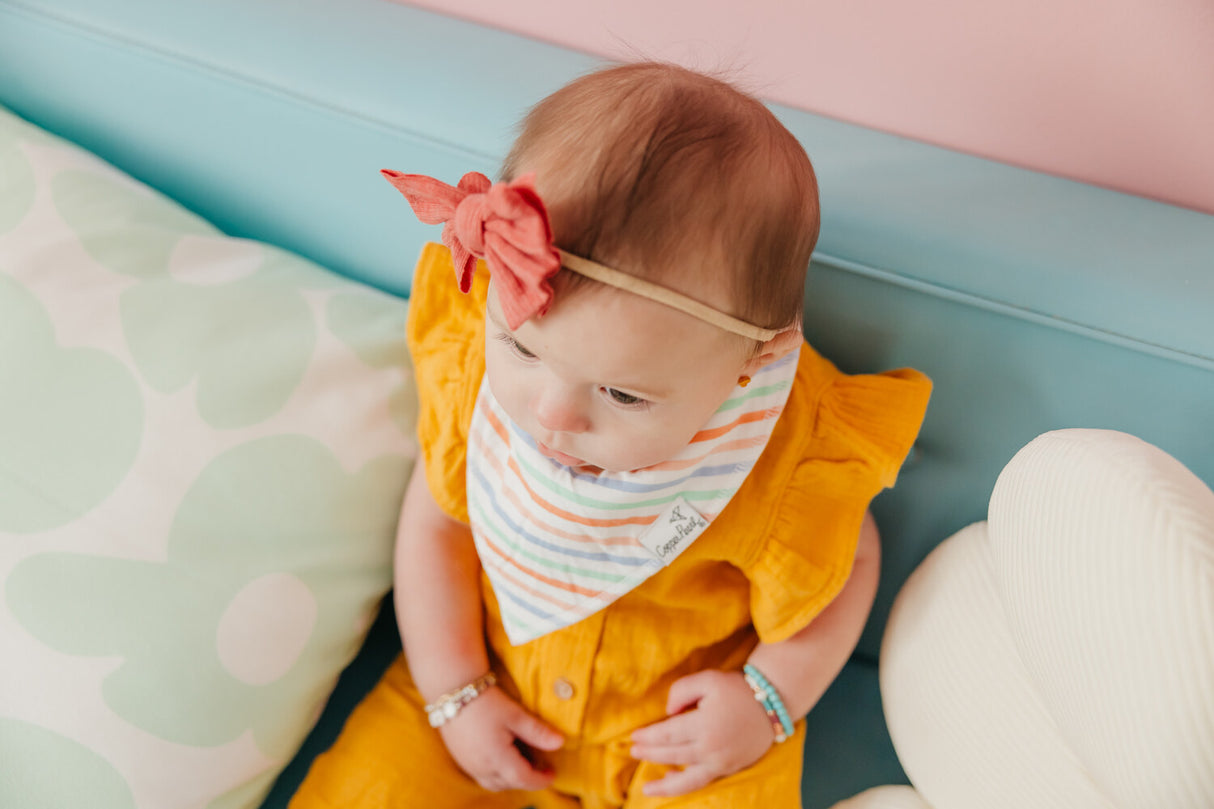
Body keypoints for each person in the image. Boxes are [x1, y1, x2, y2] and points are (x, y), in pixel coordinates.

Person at [292, 62, 932, 809]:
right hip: (483, 684)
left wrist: (766, 700)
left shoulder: (784, 447)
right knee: (367, 790)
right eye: (524, 349)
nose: (551, 413)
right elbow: (438, 518)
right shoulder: (475, 368)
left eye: (624, 393)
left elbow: (848, 560)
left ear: (749, 365)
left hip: (680, 745)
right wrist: (454, 692)